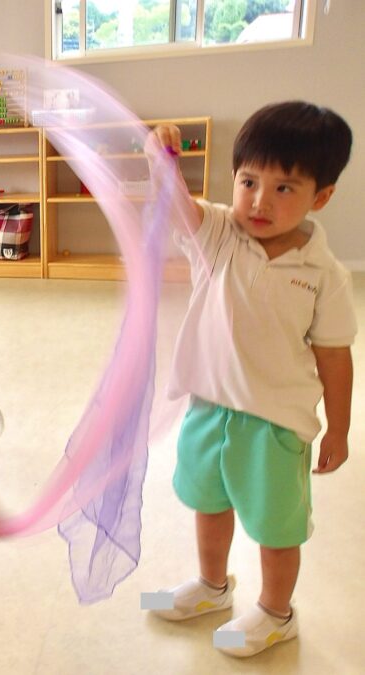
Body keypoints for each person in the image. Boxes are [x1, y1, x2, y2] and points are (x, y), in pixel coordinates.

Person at [146, 101, 356, 657]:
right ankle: (212, 587)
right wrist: (160, 159)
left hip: (274, 424)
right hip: (209, 407)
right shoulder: (219, 233)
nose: (260, 201)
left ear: (321, 196)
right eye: (248, 182)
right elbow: (176, 205)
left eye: (284, 188)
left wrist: (338, 430)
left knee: (275, 528)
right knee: (207, 503)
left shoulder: (325, 275)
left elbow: (335, 355)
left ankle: (277, 613)